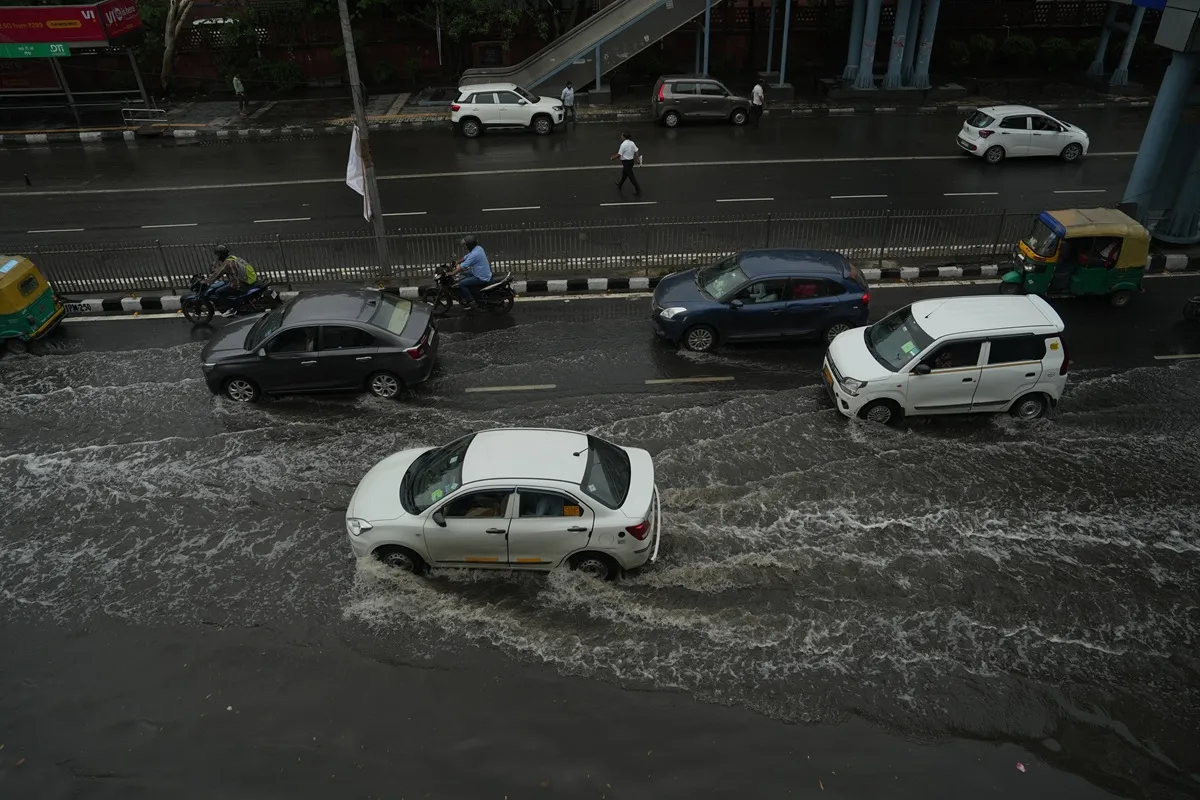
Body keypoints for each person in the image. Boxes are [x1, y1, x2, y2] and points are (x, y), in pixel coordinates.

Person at [206, 245, 258, 316]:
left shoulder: (227, 263)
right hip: (245, 281)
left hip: (239, 284)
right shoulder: (233, 258)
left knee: (219, 292)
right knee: (225, 284)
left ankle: (232, 308)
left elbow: (217, 275)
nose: (218, 257)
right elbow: (221, 270)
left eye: (218, 255)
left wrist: (206, 281)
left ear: (221, 255)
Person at [449, 234, 492, 308]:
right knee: (464, 274)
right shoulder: (478, 248)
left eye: (465, 245)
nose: (464, 247)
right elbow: (467, 256)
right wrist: (458, 262)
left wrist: (452, 273)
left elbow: (463, 266)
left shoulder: (474, 254)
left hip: (481, 277)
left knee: (461, 284)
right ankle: (471, 292)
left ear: (469, 245)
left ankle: (471, 301)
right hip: (479, 272)